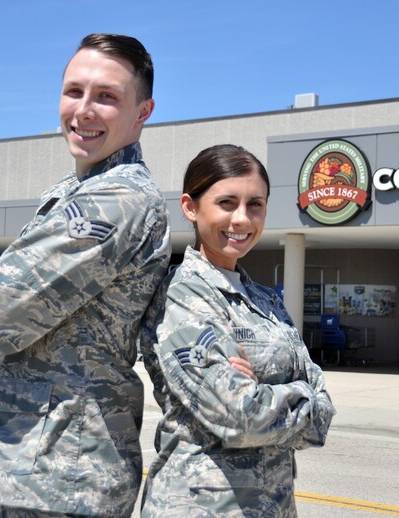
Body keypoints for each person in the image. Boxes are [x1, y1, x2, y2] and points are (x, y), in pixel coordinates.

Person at [0, 33, 170, 517]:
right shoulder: (79, 189)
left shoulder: (115, 201)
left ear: (143, 112)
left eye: (107, 96)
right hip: (49, 464)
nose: (84, 110)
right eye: (74, 91)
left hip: (66, 472)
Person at [140, 144, 335, 516]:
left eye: (255, 204)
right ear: (190, 207)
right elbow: (242, 417)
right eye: (226, 203)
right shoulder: (183, 295)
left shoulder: (265, 300)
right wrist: (301, 394)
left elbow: (325, 407)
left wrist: (267, 391)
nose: (243, 219)